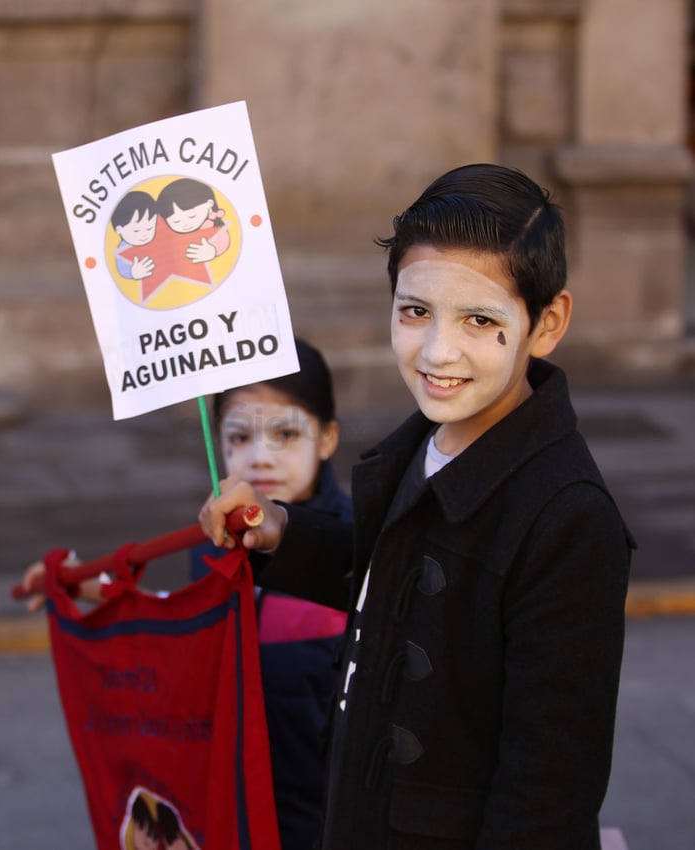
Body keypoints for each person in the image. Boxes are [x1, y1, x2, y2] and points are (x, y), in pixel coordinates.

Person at [199, 163, 635, 850]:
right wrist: (280, 530)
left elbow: (547, 794)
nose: (438, 351)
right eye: (415, 311)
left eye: (480, 319)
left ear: (547, 323)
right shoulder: (419, 448)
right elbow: (388, 576)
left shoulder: (569, 520)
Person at [190, 338, 351, 850]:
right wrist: (91, 588)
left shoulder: (361, 547)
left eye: (286, 433)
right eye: (239, 436)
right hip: (233, 816)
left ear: (327, 438)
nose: (260, 457)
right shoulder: (209, 546)